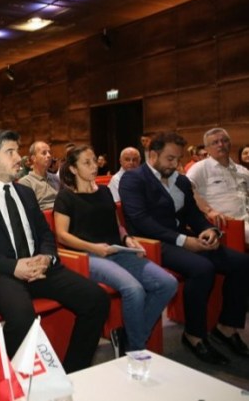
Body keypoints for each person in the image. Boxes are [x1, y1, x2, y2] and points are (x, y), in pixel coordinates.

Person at [0, 129, 109, 372]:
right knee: (22, 317)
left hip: (40, 268)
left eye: (18, 151)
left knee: (96, 299)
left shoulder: (25, 193)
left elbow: (45, 233)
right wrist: (14, 266)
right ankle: (6, 379)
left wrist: (46, 257)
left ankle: (73, 372)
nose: (19, 158)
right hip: (3, 273)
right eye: (10, 152)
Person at [119, 131, 249, 364]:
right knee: (202, 268)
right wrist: (183, 241)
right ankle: (194, 335)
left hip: (182, 237)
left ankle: (226, 327)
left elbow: (192, 214)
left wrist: (209, 230)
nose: (175, 164)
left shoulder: (180, 180)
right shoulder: (134, 179)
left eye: (178, 159)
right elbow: (141, 221)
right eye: (170, 159)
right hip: (153, 242)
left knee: (241, 263)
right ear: (153, 155)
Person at [53, 145, 177, 354]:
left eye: (94, 161)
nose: (94, 166)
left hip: (117, 250)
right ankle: (136, 349)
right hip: (89, 255)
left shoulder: (104, 191)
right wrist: (93, 247)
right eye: (87, 163)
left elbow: (116, 224)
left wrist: (127, 239)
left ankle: (130, 336)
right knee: (134, 289)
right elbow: (62, 235)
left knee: (167, 283)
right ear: (73, 169)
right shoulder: (66, 197)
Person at [187, 128, 249, 245]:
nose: (220, 145)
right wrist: (209, 211)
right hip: (226, 224)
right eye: (215, 142)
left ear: (230, 143)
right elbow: (187, 188)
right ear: (207, 148)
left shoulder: (242, 170)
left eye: (224, 141)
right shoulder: (200, 168)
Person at [18, 141, 60, 210]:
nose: (49, 155)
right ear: (34, 158)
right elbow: (30, 210)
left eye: (50, 152)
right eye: (44, 153)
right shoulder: (26, 182)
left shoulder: (55, 178)